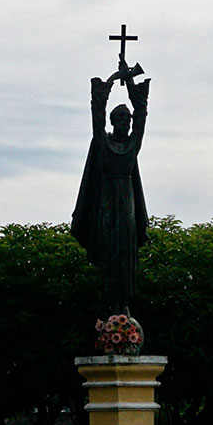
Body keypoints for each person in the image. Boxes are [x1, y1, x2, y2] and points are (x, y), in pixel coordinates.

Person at [71, 58, 150, 314]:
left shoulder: (132, 145)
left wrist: (128, 81)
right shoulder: (102, 143)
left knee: (126, 253)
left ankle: (124, 305)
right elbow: (96, 118)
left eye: (127, 120)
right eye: (121, 119)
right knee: (108, 251)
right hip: (105, 203)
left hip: (126, 202)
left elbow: (142, 116)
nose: (126, 123)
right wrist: (110, 84)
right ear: (113, 122)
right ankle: (109, 307)